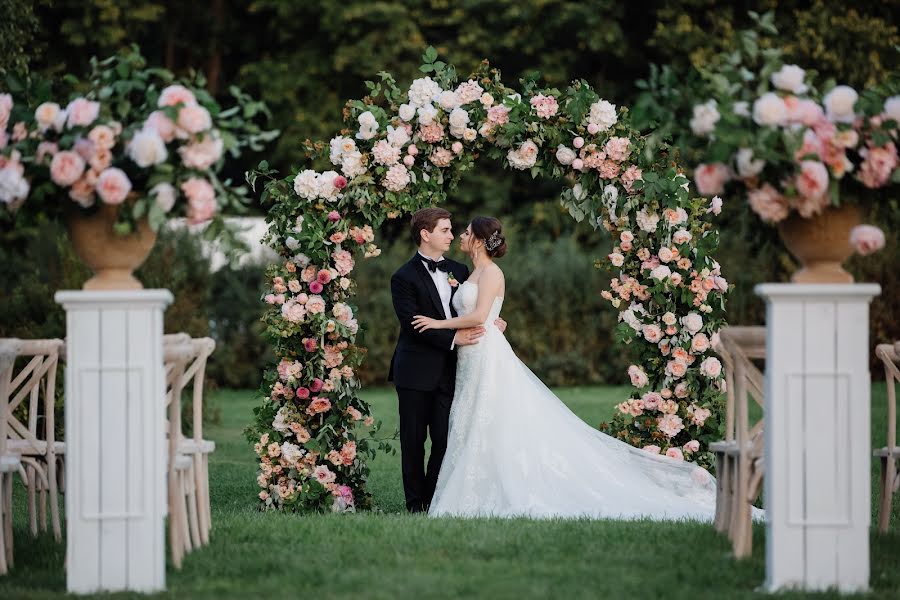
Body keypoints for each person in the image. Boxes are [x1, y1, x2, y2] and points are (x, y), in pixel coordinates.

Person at [412, 216, 728, 520]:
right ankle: (470, 486)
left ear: (479, 240)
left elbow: (479, 315)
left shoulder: (492, 272)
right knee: (472, 417)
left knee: (492, 416)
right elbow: (484, 313)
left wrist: (439, 324)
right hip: (471, 354)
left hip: (486, 353)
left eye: (466, 233)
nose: (461, 237)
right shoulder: (471, 273)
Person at [388, 207, 506, 513]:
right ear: (426, 235)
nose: (452, 235)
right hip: (414, 370)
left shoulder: (460, 270)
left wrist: (494, 321)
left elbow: (472, 311)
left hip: (452, 370)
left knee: (445, 440)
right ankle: (415, 506)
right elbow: (415, 324)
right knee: (413, 443)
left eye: (454, 230)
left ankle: (434, 500)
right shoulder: (402, 277)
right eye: (444, 230)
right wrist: (453, 338)